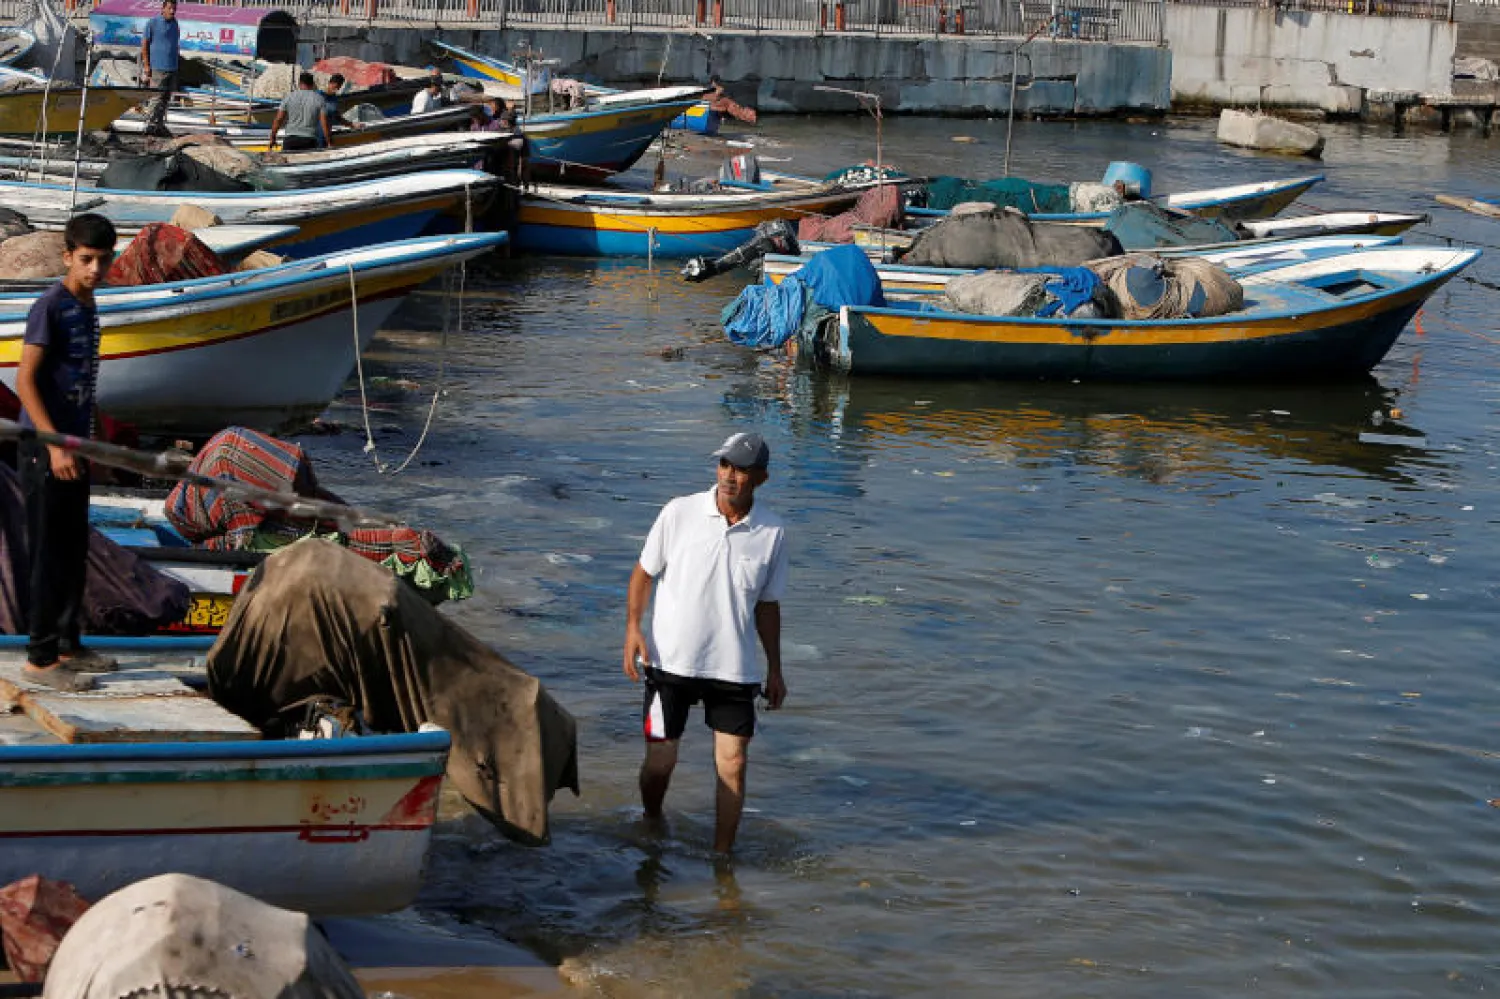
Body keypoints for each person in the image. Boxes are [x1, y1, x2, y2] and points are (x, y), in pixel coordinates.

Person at [622, 432, 789, 855]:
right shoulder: (679, 512)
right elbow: (643, 574)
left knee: (733, 764)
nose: (729, 476)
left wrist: (775, 668)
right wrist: (633, 629)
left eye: (741, 469)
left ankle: (722, 860)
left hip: (734, 668)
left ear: (761, 478)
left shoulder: (772, 532)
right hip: (669, 662)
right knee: (660, 762)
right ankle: (652, 820)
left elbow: (767, 606)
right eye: (724, 465)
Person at [14, 213, 121, 692]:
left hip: (75, 448)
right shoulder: (50, 306)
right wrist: (54, 446)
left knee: (74, 549)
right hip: (45, 450)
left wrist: (95, 441)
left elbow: (82, 382)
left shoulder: (88, 305)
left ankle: (68, 643)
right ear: (67, 257)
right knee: (48, 554)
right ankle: (40, 659)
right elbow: (25, 381)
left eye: (104, 260)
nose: (96, 269)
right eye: (86, 260)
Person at [139, 0, 180, 138]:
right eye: (170, 8)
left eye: (174, 9)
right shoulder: (152, 23)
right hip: (157, 67)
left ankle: (159, 125)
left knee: (166, 99)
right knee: (156, 98)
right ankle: (149, 126)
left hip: (172, 67)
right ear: (163, 9)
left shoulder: (175, 24)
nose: (172, 11)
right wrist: (146, 65)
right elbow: (144, 44)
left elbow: (175, 44)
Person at [267, 72, 332, 152]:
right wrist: (328, 142)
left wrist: (273, 137)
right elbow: (324, 123)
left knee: (288, 159)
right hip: (309, 140)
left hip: (290, 139)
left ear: (299, 83)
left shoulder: (289, 97)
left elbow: (279, 119)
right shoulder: (319, 99)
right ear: (312, 84)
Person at [319, 73, 346, 146]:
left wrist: (352, 125)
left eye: (339, 87)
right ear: (330, 83)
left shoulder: (334, 97)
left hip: (327, 136)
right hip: (318, 137)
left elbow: (337, 117)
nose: (336, 89)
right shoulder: (319, 95)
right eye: (335, 87)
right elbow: (323, 120)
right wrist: (328, 141)